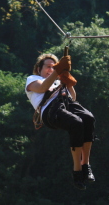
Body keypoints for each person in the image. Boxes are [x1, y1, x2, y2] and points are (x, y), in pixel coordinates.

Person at [25, 53, 96, 190]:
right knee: (76, 123)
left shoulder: (58, 81)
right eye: (48, 67)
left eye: (54, 67)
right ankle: (77, 171)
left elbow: (73, 98)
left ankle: (85, 165)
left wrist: (66, 79)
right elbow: (42, 88)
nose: (51, 70)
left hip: (66, 104)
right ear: (39, 68)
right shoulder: (33, 79)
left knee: (88, 118)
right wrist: (58, 70)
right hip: (50, 110)